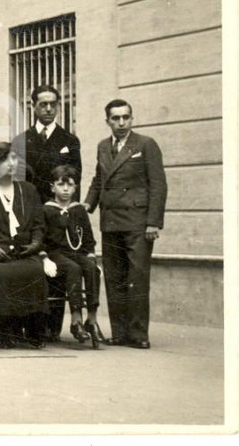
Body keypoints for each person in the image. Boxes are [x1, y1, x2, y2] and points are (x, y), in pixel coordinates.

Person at [83, 99, 167, 350]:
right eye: (115, 118)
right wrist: (86, 205)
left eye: (125, 117)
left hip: (138, 223)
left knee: (137, 278)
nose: (121, 123)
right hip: (110, 222)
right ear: (107, 120)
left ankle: (139, 334)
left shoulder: (145, 144)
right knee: (114, 278)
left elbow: (158, 185)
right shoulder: (102, 147)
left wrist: (153, 222)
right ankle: (119, 333)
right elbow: (99, 180)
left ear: (132, 119)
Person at [0, 144, 50, 348]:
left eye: (14, 158)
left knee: (34, 270)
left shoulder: (28, 190)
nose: (11, 164)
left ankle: (32, 332)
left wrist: (35, 243)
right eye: (5, 160)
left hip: (22, 248)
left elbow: (39, 225)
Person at [42, 165, 103, 348]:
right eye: (61, 185)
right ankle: (76, 319)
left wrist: (91, 254)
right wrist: (45, 258)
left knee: (92, 268)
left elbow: (88, 238)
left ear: (75, 188)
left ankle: (91, 319)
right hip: (56, 255)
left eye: (70, 185)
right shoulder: (47, 210)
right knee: (73, 269)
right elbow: (42, 238)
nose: (66, 190)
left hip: (77, 253)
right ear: (53, 187)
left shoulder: (79, 210)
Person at [12, 85, 82, 202]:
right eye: (43, 104)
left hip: (58, 207)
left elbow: (75, 180)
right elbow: (16, 181)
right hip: (30, 207)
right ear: (33, 106)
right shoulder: (20, 141)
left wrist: (70, 212)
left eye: (53, 104)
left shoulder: (70, 140)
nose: (49, 109)